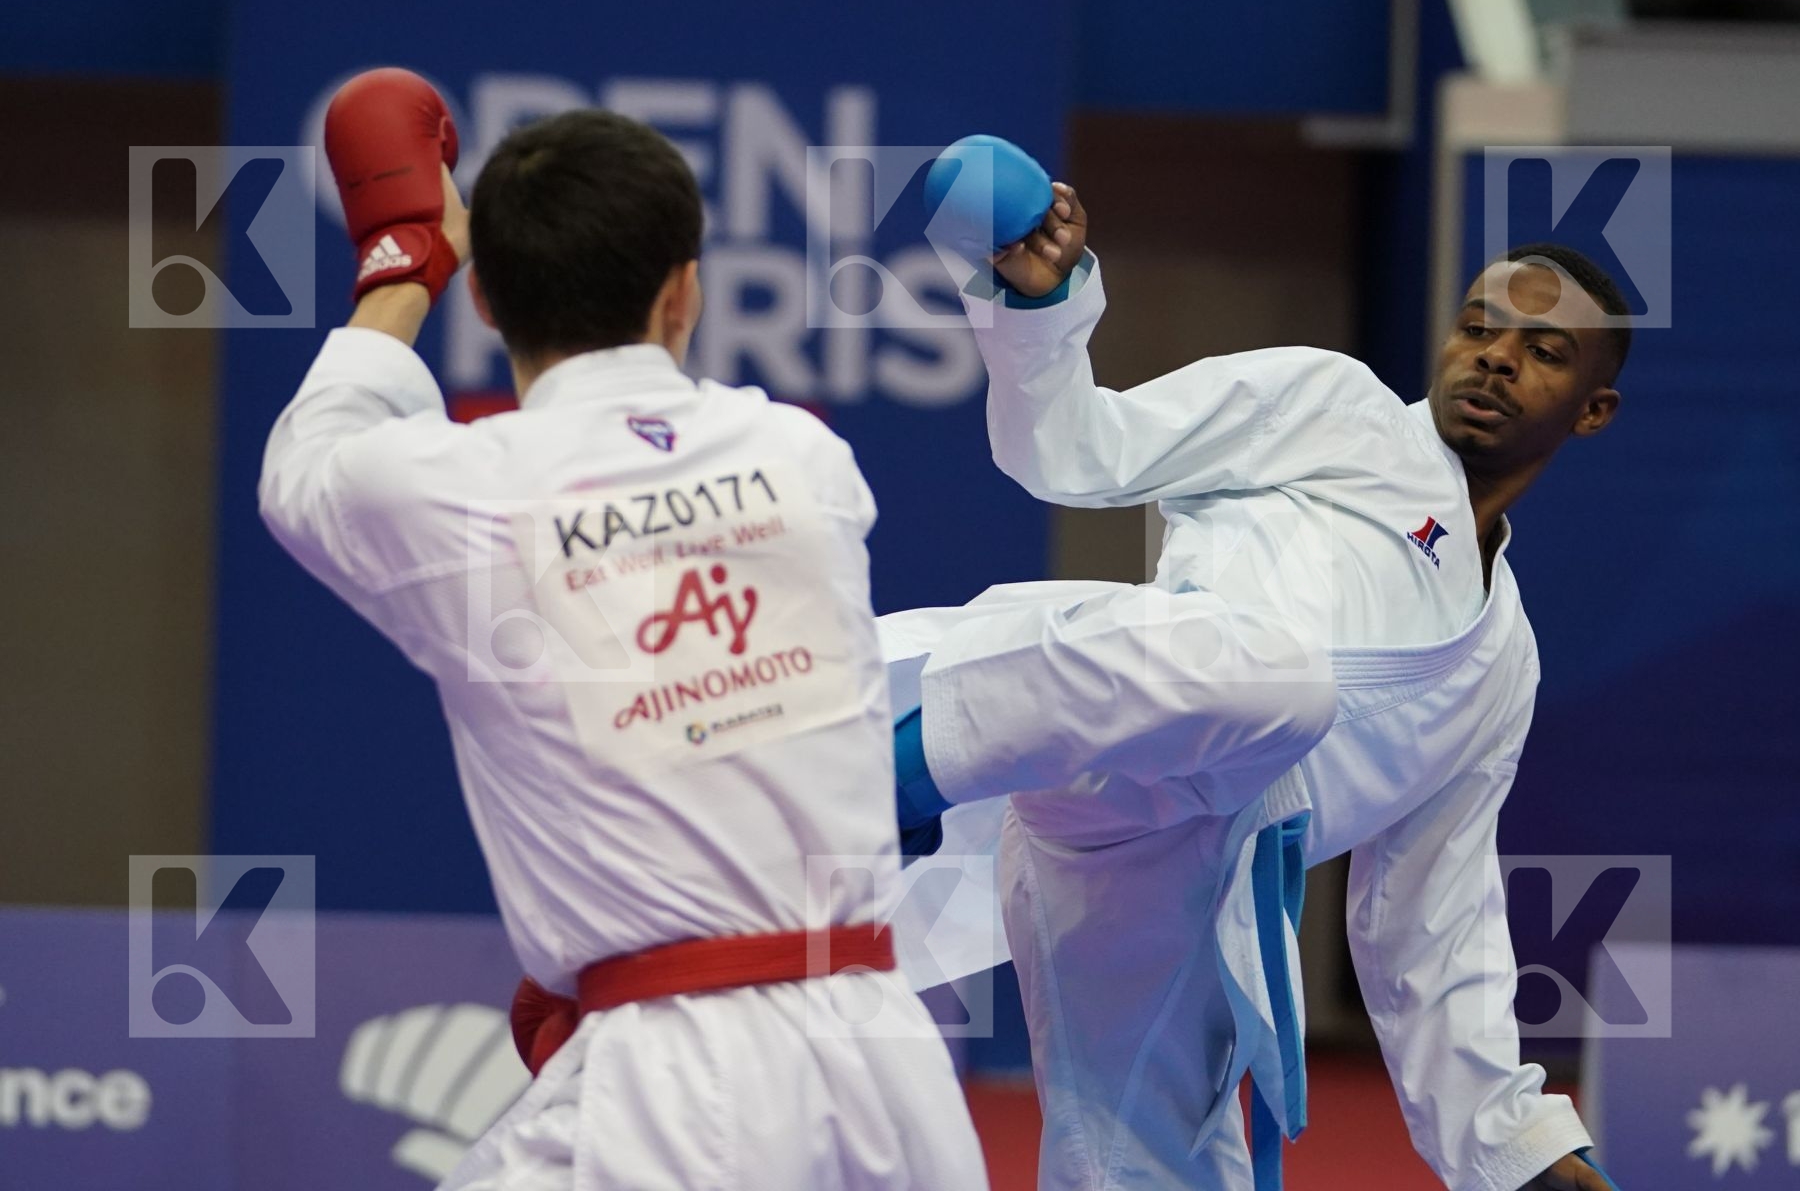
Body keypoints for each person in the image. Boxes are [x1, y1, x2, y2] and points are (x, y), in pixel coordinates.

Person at [259, 68, 986, 1191]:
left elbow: (308, 467)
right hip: (889, 1066)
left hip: (676, 1087)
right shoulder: (803, 458)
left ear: (490, 304)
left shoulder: (473, 496)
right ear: (686, 292)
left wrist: (407, 254)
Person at [880, 175, 1626, 1190]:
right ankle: (900, 775)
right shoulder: (1335, 408)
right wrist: (1039, 311)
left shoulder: (1504, 665)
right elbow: (1074, 449)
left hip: (1182, 885)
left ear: (1594, 411)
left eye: (1542, 352)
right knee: (1284, 681)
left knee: (1145, 1167)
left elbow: (1431, 917)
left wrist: (1523, 1147)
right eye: (1478, 328)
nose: (1495, 356)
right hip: (1115, 734)